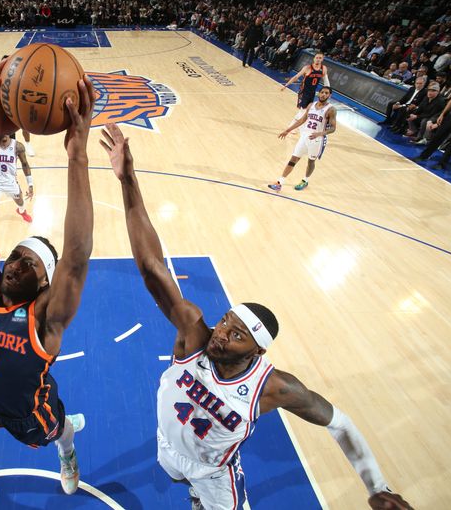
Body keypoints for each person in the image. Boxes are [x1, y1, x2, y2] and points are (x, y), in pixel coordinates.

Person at [99, 121, 414, 510]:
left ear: (256, 352)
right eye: (227, 322)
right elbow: (151, 267)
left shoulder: (275, 387)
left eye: (237, 335)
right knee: (173, 472)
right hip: (168, 444)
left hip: (215, 473)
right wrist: (128, 180)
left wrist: (376, 486)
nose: (221, 333)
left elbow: (340, 423)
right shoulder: (195, 334)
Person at [0, 61, 95, 496]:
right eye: (14, 257)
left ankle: (68, 443)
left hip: (31, 418)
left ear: (45, 283)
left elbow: (78, 255)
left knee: (59, 429)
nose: (14, 265)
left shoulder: (46, 316)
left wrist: (77, 155)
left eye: (29, 265)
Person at [268, 86, 337, 191]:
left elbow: (333, 128)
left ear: (329, 95)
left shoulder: (331, 109)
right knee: (293, 159)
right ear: (319, 93)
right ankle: (280, 182)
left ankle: (305, 180)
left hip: (317, 139)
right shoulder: (311, 105)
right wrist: (288, 130)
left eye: (326, 93)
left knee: (311, 161)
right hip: (305, 136)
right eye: (322, 92)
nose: (323, 94)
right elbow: (302, 120)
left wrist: (320, 133)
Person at [0, 134, 34, 261]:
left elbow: (25, 164)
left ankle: (22, 210)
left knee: (20, 201)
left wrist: (30, 184)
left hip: (10, 183)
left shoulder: (17, 146)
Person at [281, 52, 330, 128]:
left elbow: (326, 81)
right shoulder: (307, 68)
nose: (318, 59)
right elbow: (296, 77)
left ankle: (297, 126)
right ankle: (292, 127)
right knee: (302, 110)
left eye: (320, 58)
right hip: (303, 91)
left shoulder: (323, 68)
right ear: (314, 58)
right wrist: (286, 85)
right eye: (317, 58)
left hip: (312, 92)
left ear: (322, 59)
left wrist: (328, 92)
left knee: (308, 110)